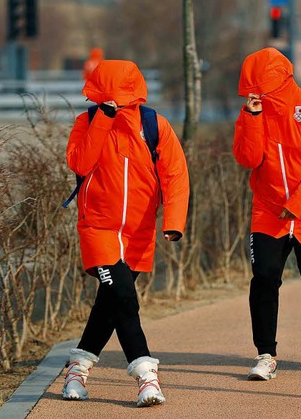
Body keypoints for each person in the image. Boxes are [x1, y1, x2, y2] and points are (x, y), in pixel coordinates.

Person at [62, 60, 190, 406]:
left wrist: (174, 222)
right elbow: (79, 163)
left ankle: (77, 368)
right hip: (97, 229)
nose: (116, 101)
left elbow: (176, 175)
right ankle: (147, 377)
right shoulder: (86, 123)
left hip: (138, 232)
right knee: (124, 298)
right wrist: (103, 118)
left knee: (109, 303)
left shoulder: (154, 125)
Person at [233, 47, 301, 380]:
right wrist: (251, 118)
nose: (254, 95)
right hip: (268, 212)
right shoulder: (252, 112)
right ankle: (265, 353)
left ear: (278, 83)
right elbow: (247, 159)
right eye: (250, 89)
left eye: (260, 89)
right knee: (264, 279)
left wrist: (297, 203)